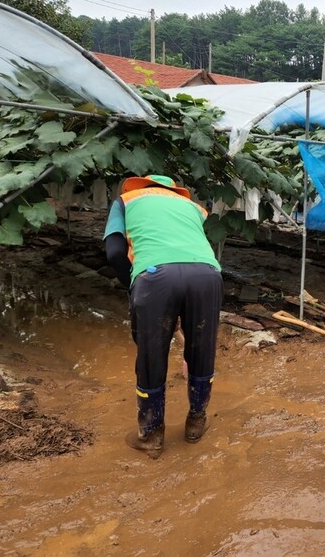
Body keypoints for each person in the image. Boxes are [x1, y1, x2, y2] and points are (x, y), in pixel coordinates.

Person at [104, 174, 223, 458]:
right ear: (173, 190)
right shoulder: (190, 206)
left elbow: (114, 251)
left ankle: (152, 435)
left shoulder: (126, 200)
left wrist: (132, 282)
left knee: (151, 356)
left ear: (141, 186)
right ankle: (195, 423)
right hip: (207, 275)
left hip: (156, 276)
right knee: (201, 351)